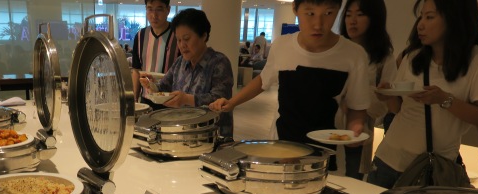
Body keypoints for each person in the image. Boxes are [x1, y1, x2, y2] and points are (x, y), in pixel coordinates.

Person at [210, 0, 370, 171]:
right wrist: (232, 102)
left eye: (328, 13)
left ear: (338, 10)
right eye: (310, 13)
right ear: (295, 9)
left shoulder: (354, 54)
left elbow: (356, 107)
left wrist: (355, 128)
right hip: (281, 148)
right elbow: (263, 80)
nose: (318, 24)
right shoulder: (282, 45)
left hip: (326, 155)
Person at [367, 0, 478, 188]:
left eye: (429, 17)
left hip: (432, 168)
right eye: (421, 16)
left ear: (455, 20)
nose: (420, 24)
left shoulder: (477, 60)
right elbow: (398, 109)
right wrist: (388, 95)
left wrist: (444, 99)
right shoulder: (413, 56)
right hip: (387, 160)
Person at [141, 8, 233, 137]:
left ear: (203, 36)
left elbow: (220, 100)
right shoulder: (180, 62)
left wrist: (187, 99)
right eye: (178, 40)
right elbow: (163, 87)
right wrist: (151, 85)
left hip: (212, 136)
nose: (182, 45)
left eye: (186, 39)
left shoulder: (219, 62)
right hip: (182, 134)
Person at [338, 0, 396, 180]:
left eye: (360, 14)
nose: (352, 20)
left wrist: (351, 98)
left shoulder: (383, 59)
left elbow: (383, 105)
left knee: (350, 183)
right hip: (326, 126)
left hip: (357, 133)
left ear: (375, 19)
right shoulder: (336, 50)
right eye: (348, 15)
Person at [131, 0, 180, 107]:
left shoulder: (178, 35)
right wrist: (134, 99)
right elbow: (136, 69)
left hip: (171, 99)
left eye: (159, 9)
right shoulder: (140, 36)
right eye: (150, 9)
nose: (154, 15)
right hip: (146, 99)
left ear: (168, 10)